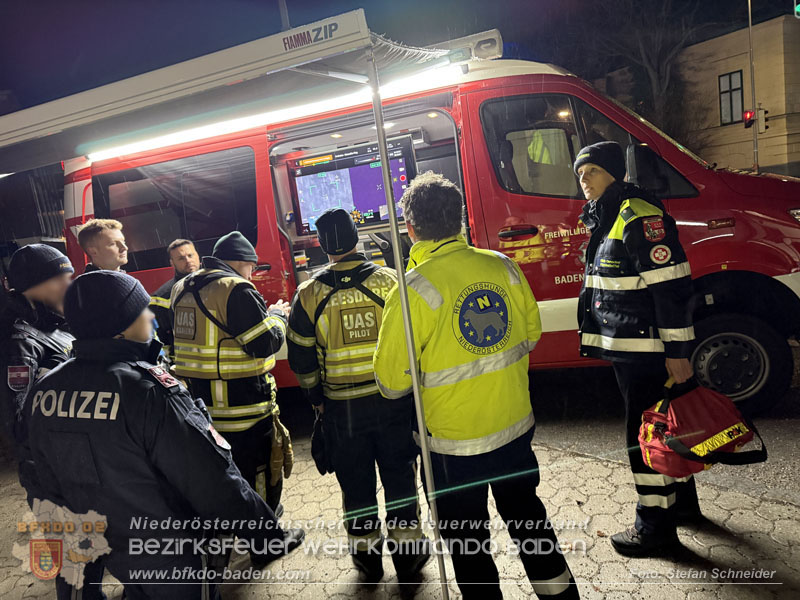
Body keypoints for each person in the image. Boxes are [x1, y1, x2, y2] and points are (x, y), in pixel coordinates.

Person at [18, 270, 304, 599]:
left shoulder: (46, 389)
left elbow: (37, 475)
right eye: (142, 310)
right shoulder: (147, 391)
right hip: (166, 549)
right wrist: (265, 535)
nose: (151, 316)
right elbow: (212, 479)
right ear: (120, 326)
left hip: (98, 540)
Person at [374, 172, 579, 600]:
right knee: (530, 522)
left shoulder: (412, 290)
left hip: (452, 448)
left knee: (469, 546)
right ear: (460, 220)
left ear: (410, 228)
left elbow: (391, 384)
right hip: (514, 430)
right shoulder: (501, 266)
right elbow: (530, 334)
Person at [287, 208, 428, 582]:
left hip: (341, 409)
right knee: (400, 477)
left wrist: (316, 398)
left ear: (322, 245)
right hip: (393, 402)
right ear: (357, 236)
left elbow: (301, 357)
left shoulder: (308, 293)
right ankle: (409, 556)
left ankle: (367, 559)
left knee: (355, 483)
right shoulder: (390, 281)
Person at [574, 141, 698, 557]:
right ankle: (681, 507)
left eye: (591, 171)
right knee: (665, 427)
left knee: (644, 436)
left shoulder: (637, 215)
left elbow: (672, 286)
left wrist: (678, 350)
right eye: (579, 174)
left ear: (614, 172)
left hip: (646, 349)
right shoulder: (609, 215)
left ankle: (655, 528)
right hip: (633, 346)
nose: (583, 181)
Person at [170, 231, 292, 528]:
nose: (252, 273)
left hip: (203, 406)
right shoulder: (236, 289)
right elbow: (263, 343)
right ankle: (265, 534)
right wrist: (277, 316)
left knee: (227, 470)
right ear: (240, 262)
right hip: (245, 405)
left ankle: (236, 522)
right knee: (261, 471)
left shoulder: (181, 287)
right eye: (252, 267)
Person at [1, 245, 74, 446]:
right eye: (59, 280)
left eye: (68, 278)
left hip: (71, 450)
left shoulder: (54, 322)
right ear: (30, 287)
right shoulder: (19, 341)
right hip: (50, 461)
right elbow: (17, 425)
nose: (67, 286)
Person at [149, 239, 201, 360]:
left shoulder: (216, 284)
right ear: (172, 263)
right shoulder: (161, 296)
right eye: (181, 258)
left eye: (190, 255)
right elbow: (161, 337)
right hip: (182, 362)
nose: (188, 261)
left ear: (198, 255)